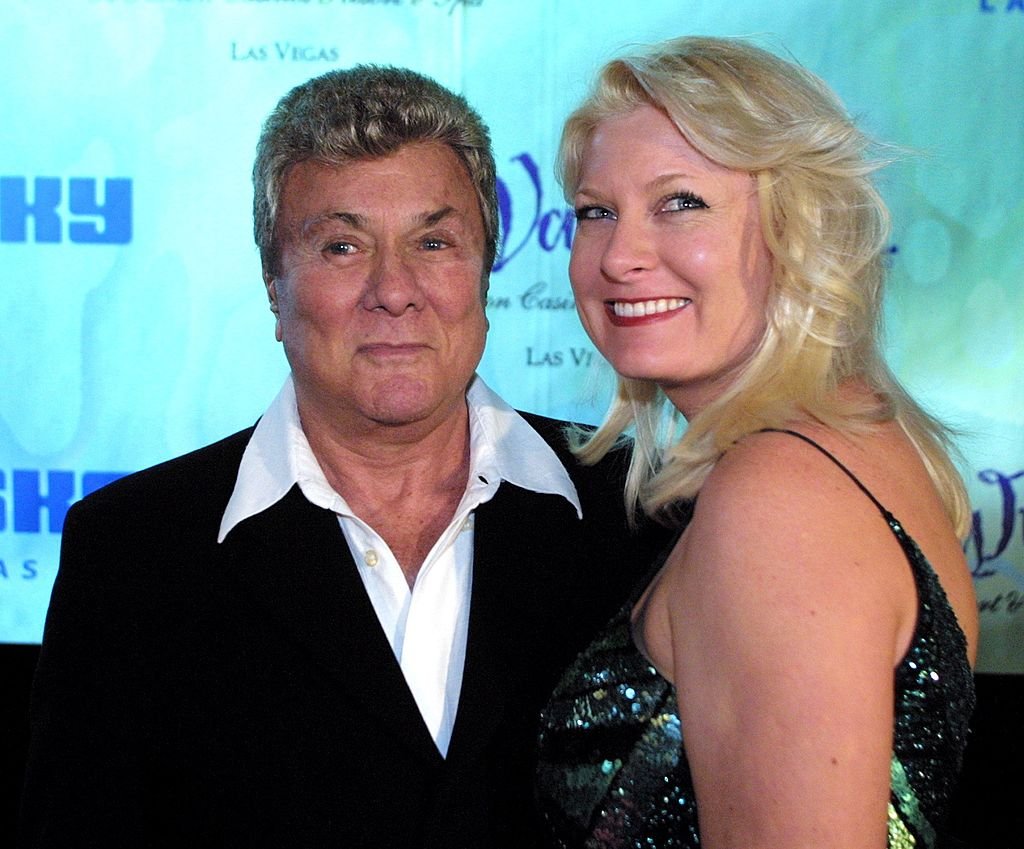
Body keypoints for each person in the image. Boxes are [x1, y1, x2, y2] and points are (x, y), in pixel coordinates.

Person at [19, 66, 663, 849]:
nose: (394, 290)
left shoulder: (643, 512)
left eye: (433, 241)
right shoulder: (131, 553)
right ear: (271, 281)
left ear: (486, 264)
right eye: (341, 245)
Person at [535, 36, 978, 849]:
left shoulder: (779, 498)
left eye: (680, 202)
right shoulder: (856, 441)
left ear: (796, 225)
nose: (620, 256)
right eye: (597, 211)